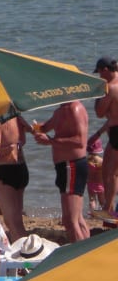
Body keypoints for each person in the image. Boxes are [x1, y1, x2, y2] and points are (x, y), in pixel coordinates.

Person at [34, 100, 90, 242]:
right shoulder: (61, 110)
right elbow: (45, 128)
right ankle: (87, 252)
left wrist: (51, 141)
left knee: (70, 220)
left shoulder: (74, 108)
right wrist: (30, 127)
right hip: (64, 167)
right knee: (77, 218)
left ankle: (79, 257)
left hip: (72, 165)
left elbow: (80, 141)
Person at [0, 115, 30, 242]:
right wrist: (11, 147)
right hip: (21, 167)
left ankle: (24, 256)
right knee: (17, 219)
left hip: (4, 171)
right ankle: (26, 250)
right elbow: (22, 141)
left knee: (12, 222)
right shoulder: (16, 116)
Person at [93, 56, 118, 216]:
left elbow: (99, 113)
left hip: (116, 132)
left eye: (100, 73)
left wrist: (98, 93)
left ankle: (108, 209)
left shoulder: (110, 88)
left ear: (106, 70)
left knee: (109, 173)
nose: (100, 76)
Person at [87, 137, 105, 213]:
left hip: (90, 183)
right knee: (102, 201)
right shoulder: (102, 161)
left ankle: (93, 212)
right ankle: (104, 212)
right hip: (101, 184)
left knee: (92, 199)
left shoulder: (87, 161)